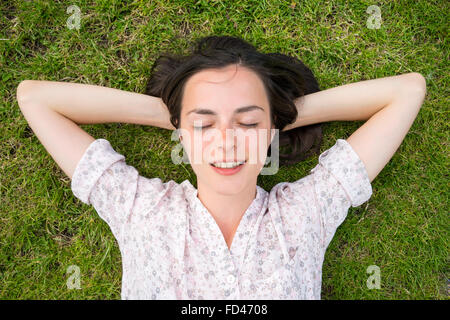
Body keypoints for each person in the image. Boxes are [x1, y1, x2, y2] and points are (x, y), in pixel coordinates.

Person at [16, 35, 427, 299]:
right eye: (205, 124)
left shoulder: (305, 214)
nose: (227, 140)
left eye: (246, 123)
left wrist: (275, 116)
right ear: (182, 135)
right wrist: (178, 116)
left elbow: (407, 91)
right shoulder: (139, 209)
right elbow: (35, 98)